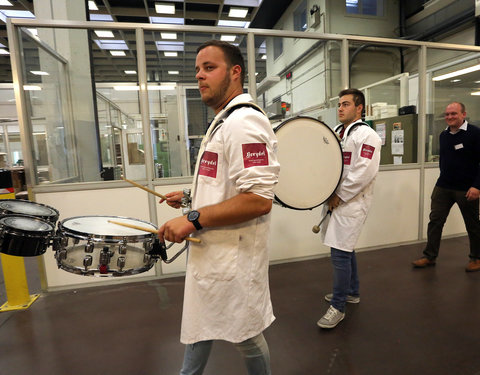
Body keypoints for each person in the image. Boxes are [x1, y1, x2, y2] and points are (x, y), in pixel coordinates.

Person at [158, 40, 280, 375]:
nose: (200, 76)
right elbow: (223, 182)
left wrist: (191, 219)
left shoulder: (244, 123)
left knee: (246, 334)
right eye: (197, 70)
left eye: (209, 68)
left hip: (232, 258)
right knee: (203, 323)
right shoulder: (225, 121)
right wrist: (187, 197)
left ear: (235, 72)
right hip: (214, 253)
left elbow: (258, 199)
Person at [317, 88, 382, 329]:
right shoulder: (337, 132)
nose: (340, 108)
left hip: (353, 202)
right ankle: (352, 291)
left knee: (340, 253)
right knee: (344, 246)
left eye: (346, 104)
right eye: (339, 104)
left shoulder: (368, 136)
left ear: (359, 108)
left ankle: (338, 305)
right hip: (335, 199)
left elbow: (363, 172)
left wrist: (340, 196)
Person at [412, 102, 480, 272]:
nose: (449, 117)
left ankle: (476, 258)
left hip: (467, 189)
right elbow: (444, 160)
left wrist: (477, 186)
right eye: (447, 114)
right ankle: (429, 256)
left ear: (463, 114)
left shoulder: (475, 134)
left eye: (454, 114)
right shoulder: (444, 135)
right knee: (435, 221)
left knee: (472, 225)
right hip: (443, 187)